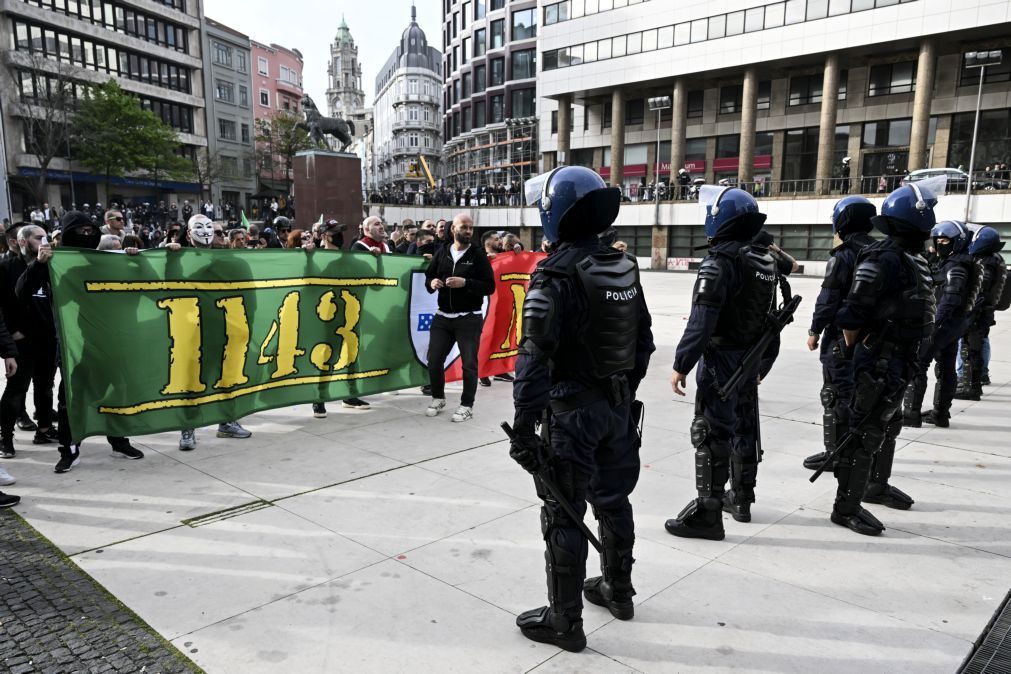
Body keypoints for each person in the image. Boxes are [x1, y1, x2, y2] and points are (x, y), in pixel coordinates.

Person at [509, 166, 654, 652]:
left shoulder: (553, 275)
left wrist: (525, 428)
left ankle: (564, 620)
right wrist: (620, 391)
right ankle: (619, 589)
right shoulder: (623, 267)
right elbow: (644, 343)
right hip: (617, 409)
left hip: (572, 413)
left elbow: (533, 358)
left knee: (564, 512)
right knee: (614, 500)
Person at [828, 179, 942, 535]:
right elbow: (851, 315)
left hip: (901, 359)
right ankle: (845, 507)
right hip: (878, 361)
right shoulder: (883, 257)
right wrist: (860, 355)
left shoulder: (911, 257)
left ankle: (874, 488)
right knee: (863, 433)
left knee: (884, 428)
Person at [665, 188, 779, 540]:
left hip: (723, 360)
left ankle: (708, 513)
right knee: (744, 426)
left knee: (711, 432)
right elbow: (769, 320)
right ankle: (741, 497)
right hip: (750, 357)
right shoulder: (764, 260)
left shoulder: (720, 262)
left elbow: (701, 321)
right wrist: (763, 364)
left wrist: (681, 363)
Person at [28, 212, 145, 472]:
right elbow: (22, 291)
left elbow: (148, 287)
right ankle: (69, 449)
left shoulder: (109, 264)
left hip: (113, 344)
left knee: (119, 391)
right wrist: (39, 264)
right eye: (79, 231)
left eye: (89, 231)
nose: (86, 236)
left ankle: (118, 440)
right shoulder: (59, 265)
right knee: (71, 397)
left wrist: (136, 261)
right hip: (77, 345)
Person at [803, 197, 877, 474]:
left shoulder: (844, 255)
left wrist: (814, 330)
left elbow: (828, 299)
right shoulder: (880, 250)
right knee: (860, 395)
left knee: (835, 394)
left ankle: (837, 453)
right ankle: (855, 451)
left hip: (841, 337)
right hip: (872, 339)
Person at [177, 216, 253, 450]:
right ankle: (188, 428)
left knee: (227, 375)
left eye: (217, 231)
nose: (211, 234)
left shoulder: (229, 260)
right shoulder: (179, 257)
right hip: (193, 331)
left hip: (225, 328)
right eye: (199, 228)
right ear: (189, 234)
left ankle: (226, 421)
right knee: (193, 379)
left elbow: (248, 291)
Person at [903, 220, 980, 429]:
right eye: (938, 240)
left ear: (958, 241)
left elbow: (951, 297)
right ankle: (940, 414)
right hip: (954, 325)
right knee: (946, 368)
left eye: (945, 240)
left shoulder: (956, 265)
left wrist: (934, 324)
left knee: (919, 363)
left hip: (944, 323)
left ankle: (911, 413)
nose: (940, 244)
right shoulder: (959, 261)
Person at [424, 213, 495, 423]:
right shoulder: (442, 251)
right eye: (464, 227)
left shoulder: (478, 254)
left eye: (471, 228)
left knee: (469, 364)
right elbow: (429, 276)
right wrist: (433, 283)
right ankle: (438, 397)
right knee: (434, 359)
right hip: (443, 316)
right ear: (453, 229)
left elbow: (489, 286)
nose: (468, 231)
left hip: (468, 318)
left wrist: (466, 283)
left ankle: (467, 405)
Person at [955, 226, 1006, 400]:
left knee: (970, 348)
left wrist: (966, 311)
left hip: (977, 313)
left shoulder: (987, 264)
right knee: (977, 344)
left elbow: (980, 292)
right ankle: (975, 380)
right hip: (984, 312)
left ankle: (970, 384)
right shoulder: (994, 259)